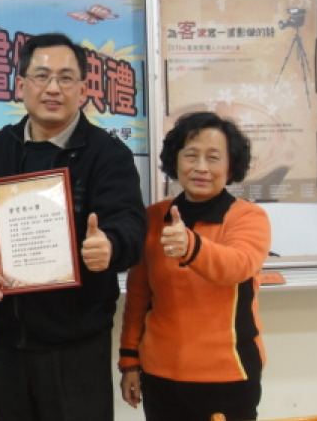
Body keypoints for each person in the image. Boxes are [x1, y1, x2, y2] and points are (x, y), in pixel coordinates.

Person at [0, 32, 147, 421]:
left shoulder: (107, 154)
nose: (52, 88)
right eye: (41, 76)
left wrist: (110, 246)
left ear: (83, 89)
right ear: (21, 86)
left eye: (65, 78)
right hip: (10, 343)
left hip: (77, 347)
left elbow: (130, 224)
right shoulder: (0, 148)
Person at [119, 111, 271, 421]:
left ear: (231, 166)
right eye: (191, 155)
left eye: (213, 158)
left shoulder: (248, 217)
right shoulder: (153, 218)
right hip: (159, 376)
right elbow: (138, 297)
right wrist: (129, 361)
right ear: (175, 161)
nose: (201, 167)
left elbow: (237, 265)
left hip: (228, 374)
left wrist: (191, 247)